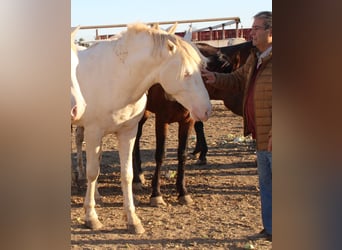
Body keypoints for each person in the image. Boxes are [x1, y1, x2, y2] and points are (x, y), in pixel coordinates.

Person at [202, 11, 272, 241]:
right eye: (252, 28)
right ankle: (271, 230)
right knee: (267, 187)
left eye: (256, 28)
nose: (251, 32)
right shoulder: (257, 58)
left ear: (271, 32)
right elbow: (238, 79)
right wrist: (214, 78)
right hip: (260, 135)